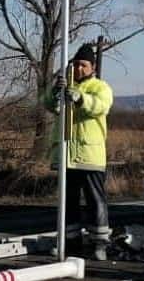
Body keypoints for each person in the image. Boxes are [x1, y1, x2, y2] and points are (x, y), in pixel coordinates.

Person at [45, 43, 114, 260]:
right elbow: (49, 105)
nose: (78, 69)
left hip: (89, 156)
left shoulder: (100, 87)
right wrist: (56, 91)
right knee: (68, 201)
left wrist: (80, 98)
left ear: (92, 67)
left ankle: (100, 243)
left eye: (83, 65)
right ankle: (71, 241)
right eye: (75, 65)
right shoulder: (67, 86)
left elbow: (101, 105)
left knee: (95, 200)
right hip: (66, 154)